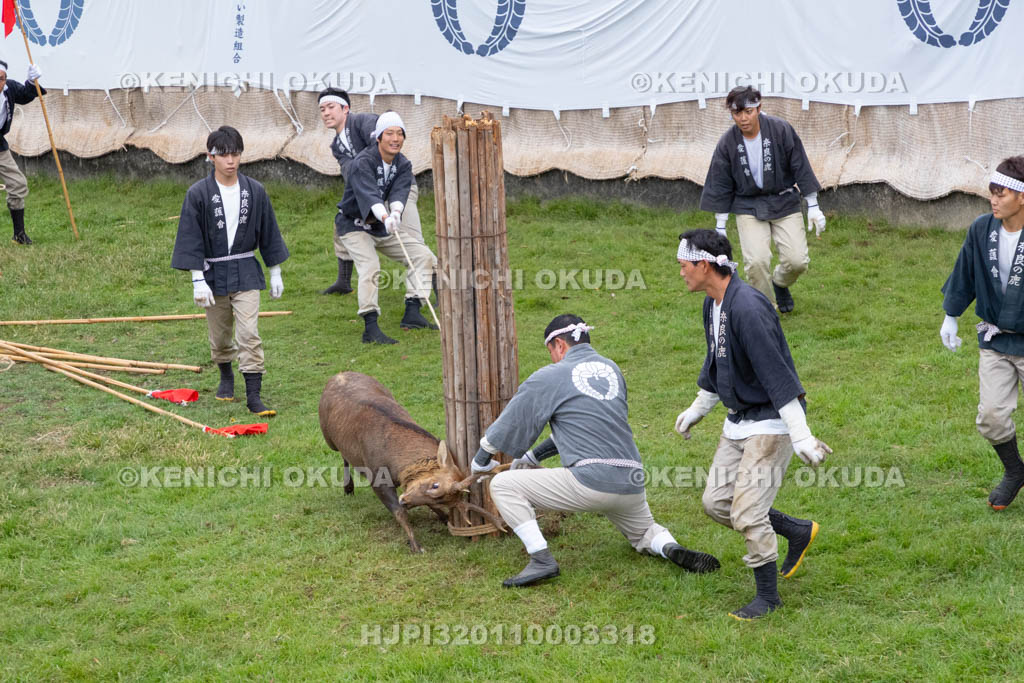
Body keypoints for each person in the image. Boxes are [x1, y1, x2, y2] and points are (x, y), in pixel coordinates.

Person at [471, 314, 721, 588]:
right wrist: (531, 457)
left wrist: (482, 460)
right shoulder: (612, 370)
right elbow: (580, 428)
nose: (552, 357)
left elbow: (512, 420)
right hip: (631, 480)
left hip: (591, 483)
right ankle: (669, 547)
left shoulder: (551, 375)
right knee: (643, 532)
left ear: (559, 344)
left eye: (550, 351)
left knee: (504, 484)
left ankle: (541, 559)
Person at [674, 229, 830, 620]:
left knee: (745, 512)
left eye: (684, 266)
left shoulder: (749, 308)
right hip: (738, 421)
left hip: (772, 423)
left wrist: (801, 436)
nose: (681, 273)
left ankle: (768, 597)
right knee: (716, 502)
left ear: (705, 265)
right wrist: (698, 408)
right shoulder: (712, 305)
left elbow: (778, 376)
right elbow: (718, 362)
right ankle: (794, 530)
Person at [171, 125, 289, 416]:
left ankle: (254, 396)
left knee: (249, 333)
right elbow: (190, 238)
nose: (230, 161)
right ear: (210, 157)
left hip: (246, 269)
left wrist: (275, 271)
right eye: (223, 155)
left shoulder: (255, 191)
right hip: (213, 275)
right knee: (221, 335)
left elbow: (269, 232)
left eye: (235, 154)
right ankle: (226, 374)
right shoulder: (198, 194)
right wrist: (198, 279)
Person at [940, 156, 1024, 511]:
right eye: (991, 193)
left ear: (1021, 196)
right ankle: (1014, 471)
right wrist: (951, 316)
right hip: (995, 339)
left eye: (1001, 194)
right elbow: (965, 273)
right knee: (990, 417)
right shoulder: (981, 229)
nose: (993, 200)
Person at [699, 86, 828, 313]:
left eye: (748, 111)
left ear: (759, 108)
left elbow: (801, 166)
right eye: (737, 113)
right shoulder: (728, 142)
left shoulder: (780, 130)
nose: (743, 118)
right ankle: (765, 310)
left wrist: (813, 206)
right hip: (748, 205)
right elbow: (720, 183)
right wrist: (720, 226)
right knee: (756, 263)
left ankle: (779, 283)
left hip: (784, 201)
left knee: (797, 261)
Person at [335, 111, 437, 344]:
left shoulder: (403, 163)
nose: (395, 138)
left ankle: (413, 311)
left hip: (382, 227)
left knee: (422, 255)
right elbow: (368, 193)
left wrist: (397, 213)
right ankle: (370, 327)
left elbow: (401, 190)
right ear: (378, 137)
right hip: (354, 225)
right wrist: (385, 215)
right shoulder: (363, 162)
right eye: (389, 133)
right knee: (371, 266)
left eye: (399, 133)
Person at [318, 89, 430, 298]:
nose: (326, 113)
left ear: (346, 109)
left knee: (414, 240)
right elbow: (349, 172)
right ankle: (343, 281)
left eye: (331, 107)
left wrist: (366, 173)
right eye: (322, 109)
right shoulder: (337, 146)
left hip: (398, 187)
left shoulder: (364, 122)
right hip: (370, 191)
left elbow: (385, 147)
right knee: (344, 222)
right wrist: (364, 184)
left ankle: (438, 291)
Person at [0, 59, 44, 245]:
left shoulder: (9, 89)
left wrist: (31, 81)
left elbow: (26, 95)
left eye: (1, 78)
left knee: (18, 184)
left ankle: (19, 235)